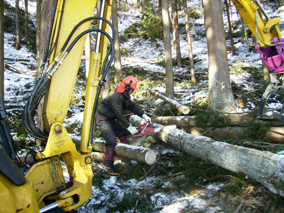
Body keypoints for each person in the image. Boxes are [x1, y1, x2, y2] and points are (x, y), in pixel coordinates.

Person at [96, 76, 151, 176]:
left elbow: (132, 107)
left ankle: (123, 155)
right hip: (103, 119)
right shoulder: (115, 97)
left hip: (111, 120)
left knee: (123, 133)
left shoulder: (124, 97)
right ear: (127, 88)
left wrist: (143, 115)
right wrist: (129, 126)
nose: (132, 92)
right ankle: (108, 164)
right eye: (132, 90)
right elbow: (119, 115)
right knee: (111, 140)